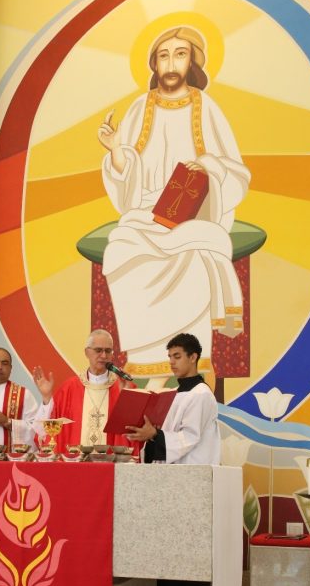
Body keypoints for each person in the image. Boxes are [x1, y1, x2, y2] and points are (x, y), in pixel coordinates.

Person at [98, 26, 251, 388]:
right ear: (154, 63)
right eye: (164, 55)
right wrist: (116, 150)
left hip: (196, 213)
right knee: (120, 251)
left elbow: (235, 169)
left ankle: (190, 367)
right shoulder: (141, 107)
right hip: (147, 211)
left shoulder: (206, 107)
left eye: (180, 54)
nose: (171, 63)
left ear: (192, 61)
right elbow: (128, 172)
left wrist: (209, 168)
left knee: (197, 256)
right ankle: (145, 362)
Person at [125, 333, 220, 586]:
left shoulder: (202, 394)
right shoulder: (175, 394)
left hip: (191, 484)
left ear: (193, 357)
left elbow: (190, 438)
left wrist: (156, 436)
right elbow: (165, 435)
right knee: (170, 552)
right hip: (171, 483)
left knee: (187, 555)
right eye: (170, 356)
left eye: (177, 356)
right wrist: (149, 435)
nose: (172, 361)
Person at [33, 329, 134, 452]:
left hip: (111, 465)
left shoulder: (124, 388)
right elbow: (47, 430)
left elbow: (134, 433)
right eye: (98, 350)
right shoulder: (69, 388)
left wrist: (128, 398)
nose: (103, 355)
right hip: (76, 466)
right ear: (87, 352)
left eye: (108, 351)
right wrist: (47, 398)